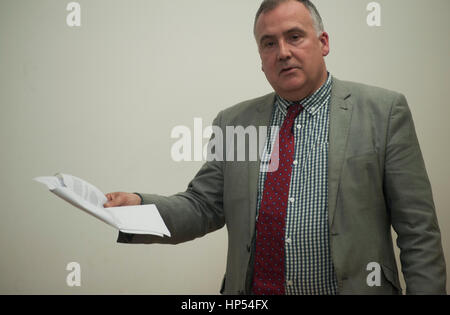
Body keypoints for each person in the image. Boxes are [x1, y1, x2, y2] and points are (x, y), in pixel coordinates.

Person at [104, 0, 446, 295]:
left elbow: (418, 230)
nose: (282, 52)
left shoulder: (383, 112)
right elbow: (202, 206)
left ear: (323, 42)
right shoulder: (234, 122)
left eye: (294, 37)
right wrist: (136, 207)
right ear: (260, 57)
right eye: (269, 43)